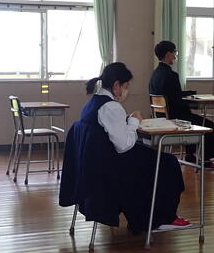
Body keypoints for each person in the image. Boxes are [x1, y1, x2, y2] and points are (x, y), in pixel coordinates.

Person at [60, 62, 188, 233]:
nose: (127, 91)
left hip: (97, 166)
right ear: (116, 85)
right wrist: (134, 121)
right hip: (111, 169)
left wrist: (126, 121)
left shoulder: (92, 103)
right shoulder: (111, 107)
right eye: (126, 86)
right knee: (168, 163)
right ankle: (161, 218)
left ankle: (144, 216)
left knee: (151, 159)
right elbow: (124, 146)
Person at [148, 41, 214, 169]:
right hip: (175, 117)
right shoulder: (171, 75)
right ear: (168, 54)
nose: (175, 56)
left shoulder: (155, 74)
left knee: (191, 117)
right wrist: (193, 104)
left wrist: (188, 94)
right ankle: (205, 161)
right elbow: (177, 101)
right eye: (174, 52)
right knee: (207, 124)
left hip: (161, 117)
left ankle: (190, 155)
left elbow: (171, 95)